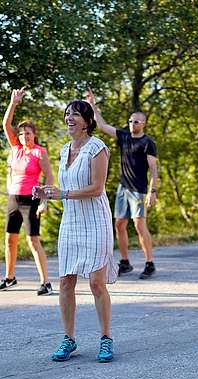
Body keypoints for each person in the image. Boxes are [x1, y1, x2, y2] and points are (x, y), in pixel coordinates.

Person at [34, 99, 118, 362]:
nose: (70, 118)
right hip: (71, 221)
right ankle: (68, 339)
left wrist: (63, 194)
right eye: (67, 114)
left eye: (76, 114)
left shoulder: (97, 148)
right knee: (66, 281)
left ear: (87, 120)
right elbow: (62, 189)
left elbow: (97, 188)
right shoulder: (63, 150)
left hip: (96, 220)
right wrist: (46, 193)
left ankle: (106, 339)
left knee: (96, 282)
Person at [85, 88, 158, 280]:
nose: (132, 124)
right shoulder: (124, 137)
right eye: (130, 121)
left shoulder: (148, 143)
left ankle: (149, 263)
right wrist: (92, 104)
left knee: (139, 225)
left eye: (136, 121)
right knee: (119, 224)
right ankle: (125, 262)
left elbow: (154, 169)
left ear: (143, 124)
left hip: (139, 190)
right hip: (123, 188)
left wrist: (153, 191)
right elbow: (101, 125)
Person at [1, 87, 54, 295]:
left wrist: (44, 201)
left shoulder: (39, 152)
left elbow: (49, 177)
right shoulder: (16, 148)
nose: (24, 136)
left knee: (33, 240)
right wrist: (13, 103)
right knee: (9, 238)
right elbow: (5, 124)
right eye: (21, 133)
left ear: (34, 135)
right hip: (14, 198)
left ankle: (45, 282)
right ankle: (10, 277)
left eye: (28, 133)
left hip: (31, 199)